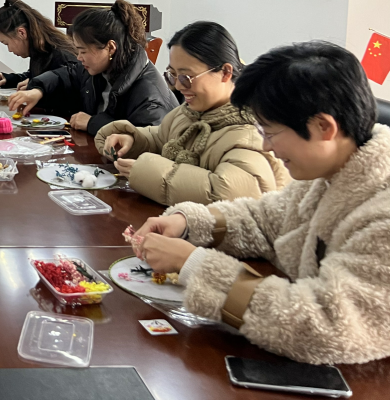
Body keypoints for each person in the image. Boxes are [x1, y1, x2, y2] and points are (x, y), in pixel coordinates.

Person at [131, 41, 390, 365]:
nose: (266, 146)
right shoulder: (328, 173)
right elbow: (264, 220)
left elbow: (326, 326)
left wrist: (194, 265)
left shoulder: (382, 215)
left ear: (324, 127)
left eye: (271, 132)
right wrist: (188, 223)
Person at [95, 21, 289, 205]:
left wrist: (146, 172)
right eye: (173, 75)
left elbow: (228, 194)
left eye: (186, 77)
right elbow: (162, 137)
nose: (179, 86)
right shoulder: (189, 113)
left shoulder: (252, 132)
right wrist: (132, 140)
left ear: (225, 72)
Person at [8, 0, 177, 135]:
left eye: (83, 51)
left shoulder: (149, 95)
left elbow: (144, 140)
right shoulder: (101, 67)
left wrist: (92, 123)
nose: (78, 57)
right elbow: (69, 74)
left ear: (110, 47)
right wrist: (38, 91)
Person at [0, 0, 82, 115]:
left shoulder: (61, 56)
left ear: (21, 33)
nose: (9, 50)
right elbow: (37, 76)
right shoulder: (40, 50)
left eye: (6, 43)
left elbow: (67, 94)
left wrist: (36, 89)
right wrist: (11, 79)